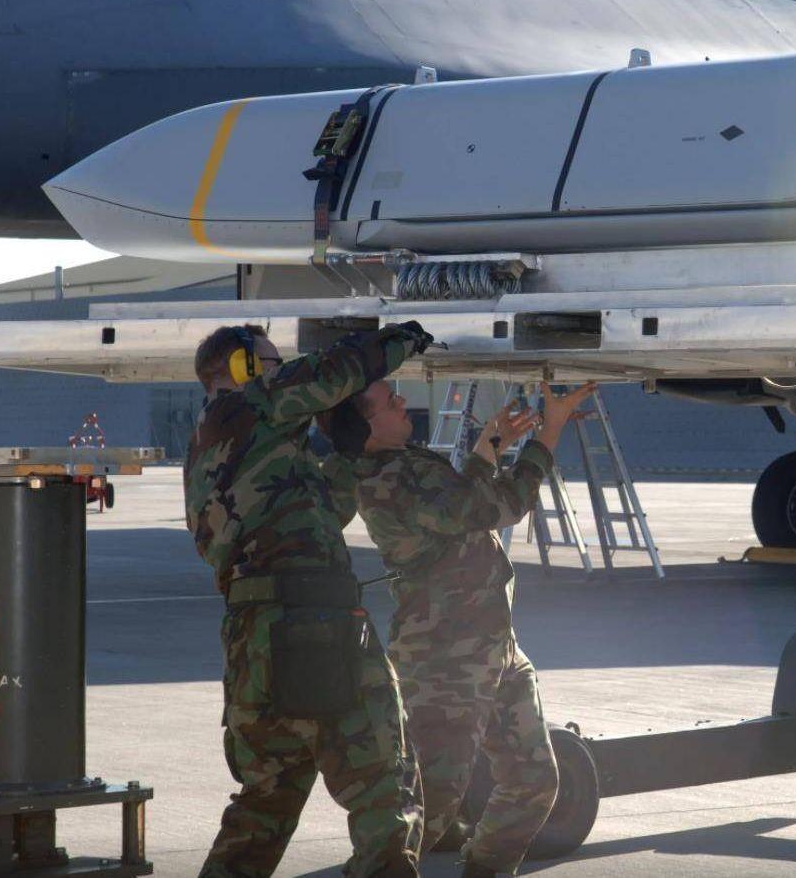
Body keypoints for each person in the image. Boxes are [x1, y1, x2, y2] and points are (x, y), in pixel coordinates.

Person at [321, 380, 597, 878]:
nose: (402, 401)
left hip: (491, 645)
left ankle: (485, 869)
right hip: (444, 658)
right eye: (389, 400)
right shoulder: (390, 478)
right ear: (364, 425)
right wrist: (548, 434)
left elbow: (459, 502)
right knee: (430, 806)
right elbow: (494, 508)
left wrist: (490, 445)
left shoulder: (405, 462)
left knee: (533, 781)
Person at [185, 322, 431, 878]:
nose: (283, 371)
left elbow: (317, 517)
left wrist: (347, 455)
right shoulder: (255, 403)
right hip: (316, 625)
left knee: (264, 806)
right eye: (274, 362)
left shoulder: (216, 448)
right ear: (245, 368)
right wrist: (401, 337)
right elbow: (334, 370)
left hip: (255, 642)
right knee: (385, 790)